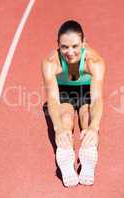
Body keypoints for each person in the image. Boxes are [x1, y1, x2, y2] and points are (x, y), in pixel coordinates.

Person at [42, 20, 105, 187]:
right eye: (64, 47)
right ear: (58, 45)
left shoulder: (94, 62)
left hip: (85, 90)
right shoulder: (50, 63)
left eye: (75, 46)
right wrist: (58, 129)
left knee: (87, 117)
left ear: (84, 43)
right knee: (65, 119)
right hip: (63, 91)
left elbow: (97, 99)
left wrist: (94, 127)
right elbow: (53, 99)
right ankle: (65, 156)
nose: (70, 52)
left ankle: (88, 153)